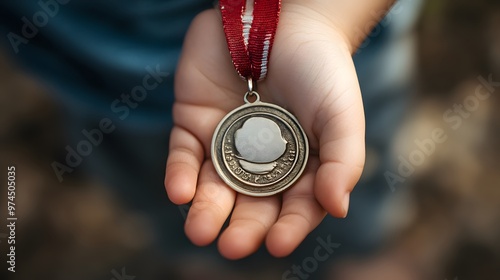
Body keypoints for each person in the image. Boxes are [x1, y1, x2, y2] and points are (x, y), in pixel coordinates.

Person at [0, 0, 422, 276]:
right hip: (93, 74)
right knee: (168, 197)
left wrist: (325, 18)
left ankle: (357, 255)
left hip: (330, 54)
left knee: (348, 184)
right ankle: (205, 258)